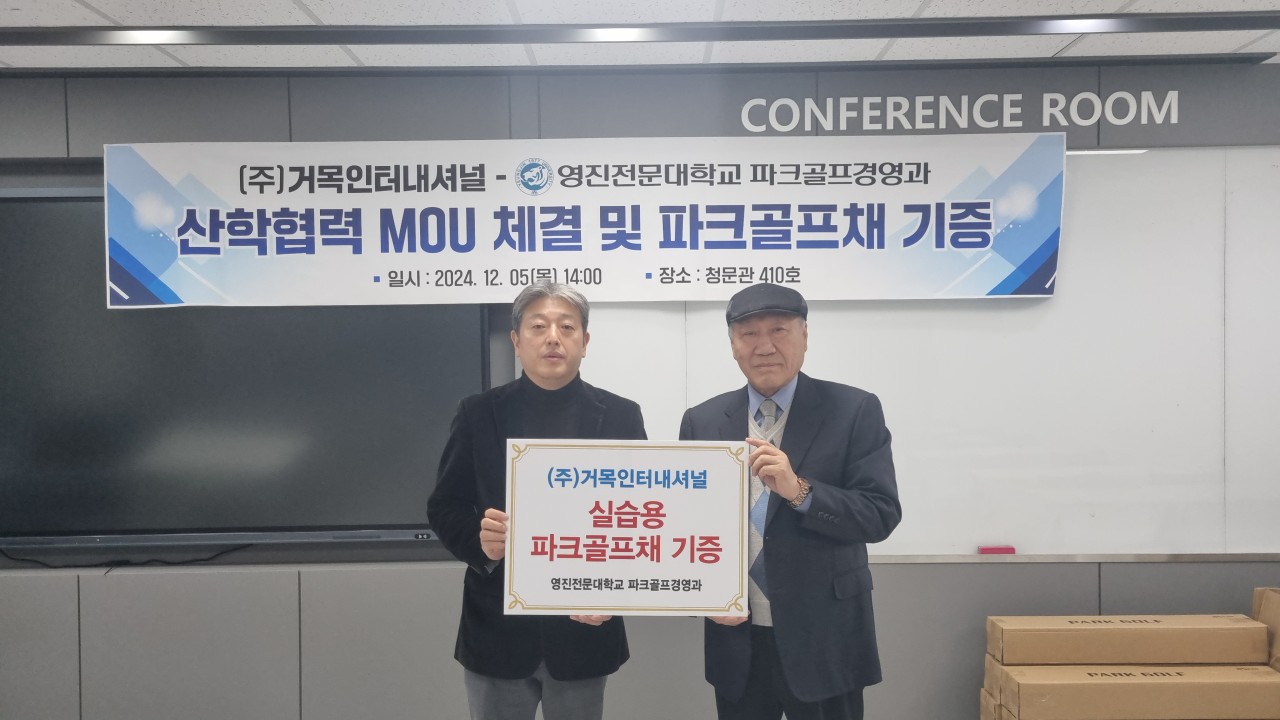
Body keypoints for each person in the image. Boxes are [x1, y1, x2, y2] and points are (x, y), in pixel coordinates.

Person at [679, 282, 901, 720]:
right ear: (733, 345)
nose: (764, 346)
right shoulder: (701, 420)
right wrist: (702, 598)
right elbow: (686, 527)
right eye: (749, 334)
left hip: (825, 638)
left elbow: (879, 514)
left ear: (804, 336)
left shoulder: (853, 409)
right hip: (737, 640)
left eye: (779, 330)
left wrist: (800, 490)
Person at [427, 281, 647, 720]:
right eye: (539, 326)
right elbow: (444, 505)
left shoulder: (621, 415)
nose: (552, 338)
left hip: (585, 629)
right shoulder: (478, 412)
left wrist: (614, 592)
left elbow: (642, 515)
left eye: (566, 327)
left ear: (585, 341)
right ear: (516, 340)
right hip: (497, 629)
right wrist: (479, 542)